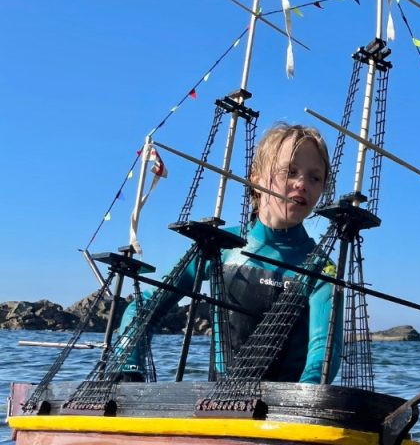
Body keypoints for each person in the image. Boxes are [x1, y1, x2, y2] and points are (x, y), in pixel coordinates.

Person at [117, 122, 342, 383]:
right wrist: (129, 366)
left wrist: (306, 398)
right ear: (256, 180)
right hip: (218, 409)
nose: (302, 184)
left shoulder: (320, 268)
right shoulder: (219, 245)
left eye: (315, 178)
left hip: (284, 411)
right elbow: (144, 305)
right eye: (290, 171)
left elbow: (324, 351)